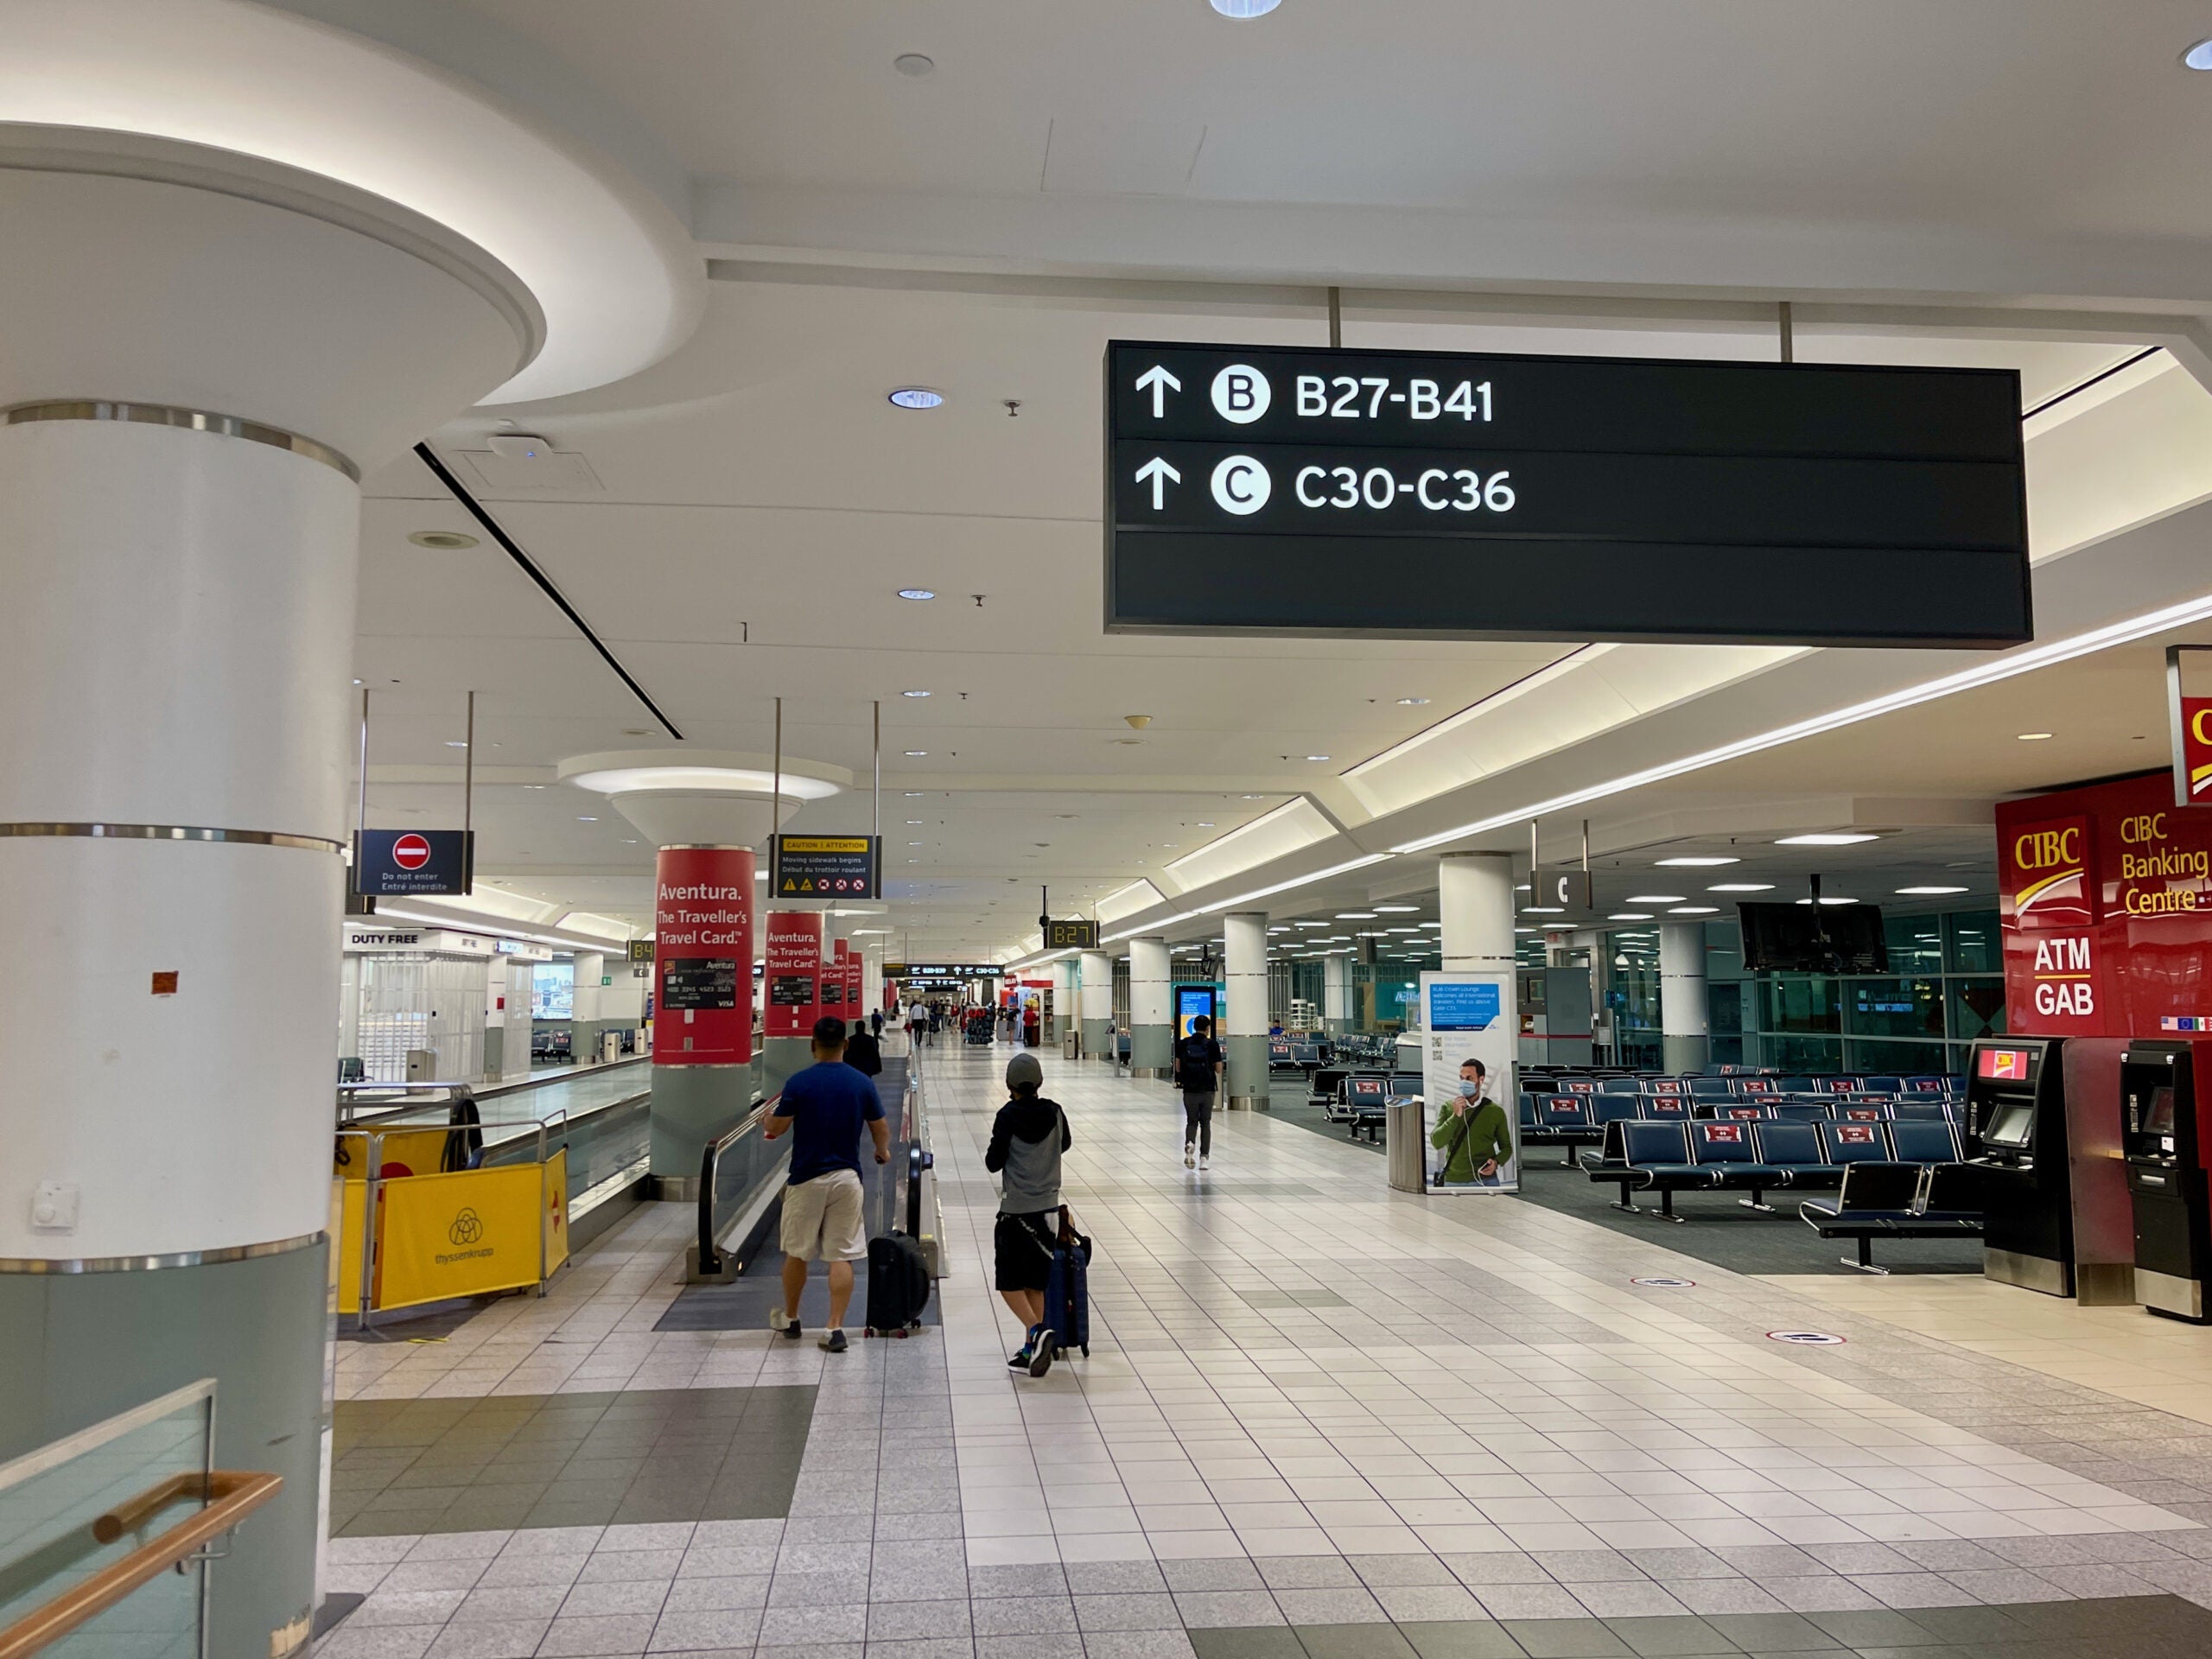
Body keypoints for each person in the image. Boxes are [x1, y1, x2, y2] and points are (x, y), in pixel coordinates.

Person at [763, 1016, 890, 1352]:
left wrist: (767, 1120)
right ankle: (834, 1328)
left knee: (797, 1252)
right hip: (847, 1178)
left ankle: (792, 1318)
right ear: (845, 1045)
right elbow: (880, 1126)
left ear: (812, 1045)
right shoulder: (860, 1082)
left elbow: (778, 1127)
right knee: (841, 1256)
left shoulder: (799, 1082)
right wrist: (882, 1151)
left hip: (806, 1178)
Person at [985, 1051, 1070, 1377]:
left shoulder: (1007, 1116)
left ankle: (1036, 1331)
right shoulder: (1055, 1112)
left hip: (1016, 1212)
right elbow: (1065, 1144)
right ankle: (1030, 1351)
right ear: (1039, 1082)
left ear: (1009, 1084)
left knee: (1008, 1283)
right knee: (1035, 1284)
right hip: (1049, 1212)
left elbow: (993, 1162)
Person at [1432, 1058, 1513, 1187]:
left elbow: (1507, 1147)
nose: (1464, 1082)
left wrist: (1497, 1162)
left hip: (1487, 1180)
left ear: (1481, 1080)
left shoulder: (1495, 1111)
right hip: (1454, 1180)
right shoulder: (1448, 1107)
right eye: (1462, 1078)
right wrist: (1455, 1116)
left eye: (1469, 1078)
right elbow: (1437, 1142)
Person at [1173, 1014, 1224, 1171]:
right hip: (1207, 1089)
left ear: (1193, 1027)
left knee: (1192, 1121)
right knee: (1205, 1123)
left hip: (1189, 1089)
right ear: (1208, 1028)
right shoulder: (1212, 1044)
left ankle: (1190, 1144)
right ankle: (1204, 1158)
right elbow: (1218, 1069)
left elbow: (1178, 1068)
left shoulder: (1183, 1043)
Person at [844, 1015, 883, 1079]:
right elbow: (875, 1053)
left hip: (854, 1066)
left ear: (855, 1028)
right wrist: (878, 1067)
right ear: (864, 1028)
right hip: (867, 1066)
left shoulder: (850, 1039)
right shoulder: (870, 1039)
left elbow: (846, 1054)